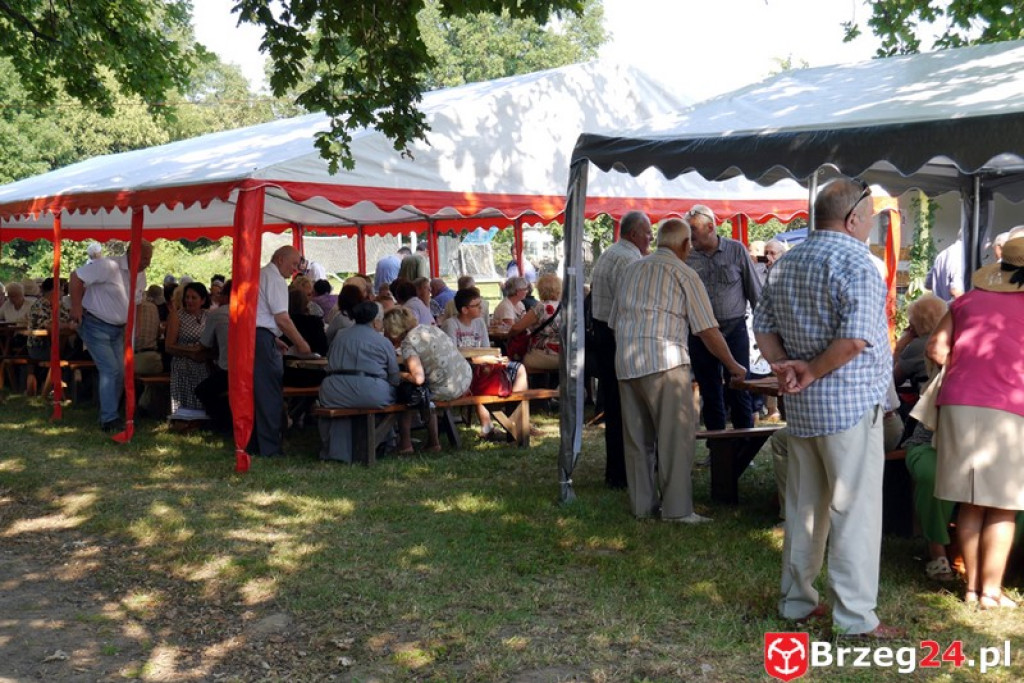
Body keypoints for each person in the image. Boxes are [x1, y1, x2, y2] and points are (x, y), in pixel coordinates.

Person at [753, 177, 896, 638]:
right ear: (853, 219)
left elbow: (763, 326)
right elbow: (855, 339)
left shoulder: (787, 262)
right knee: (853, 512)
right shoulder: (859, 262)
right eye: (870, 217)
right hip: (849, 404)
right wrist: (809, 370)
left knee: (804, 508)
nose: (871, 225)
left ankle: (796, 601)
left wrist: (784, 368)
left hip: (803, 406)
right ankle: (855, 617)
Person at [610, 218, 745, 523]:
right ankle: (677, 510)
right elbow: (707, 329)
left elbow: (614, 321)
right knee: (675, 439)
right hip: (665, 362)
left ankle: (642, 506)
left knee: (637, 441)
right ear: (685, 244)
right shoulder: (684, 272)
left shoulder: (631, 269)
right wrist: (733, 365)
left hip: (627, 362)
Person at [926, 236, 1024, 609]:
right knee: (1002, 505)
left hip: (959, 404)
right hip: (1011, 406)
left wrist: (966, 368)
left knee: (970, 502)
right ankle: (991, 592)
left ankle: (970, 590)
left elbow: (936, 349)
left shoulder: (965, 301)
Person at [590, 210, 653, 489]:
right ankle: (623, 472)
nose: (651, 238)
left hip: (604, 333)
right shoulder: (629, 259)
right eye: (648, 233)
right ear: (634, 233)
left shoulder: (610, 252)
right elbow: (631, 305)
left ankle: (617, 471)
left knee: (616, 405)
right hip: (618, 335)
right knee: (626, 406)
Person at [685, 204, 761, 431]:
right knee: (710, 390)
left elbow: (755, 292)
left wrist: (765, 330)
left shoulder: (736, 250)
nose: (689, 235)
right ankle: (717, 446)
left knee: (739, 387)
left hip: (734, 329)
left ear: (710, 227)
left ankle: (744, 441)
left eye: (693, 229)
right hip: (700, 333)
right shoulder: (687, 256)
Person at [70, 240, 153, 432]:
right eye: (145, 258)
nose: (147, 263)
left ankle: (109, 412)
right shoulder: (108, 265)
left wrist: (136, 325)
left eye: (149, 259)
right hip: (95, 324)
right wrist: (76, 306)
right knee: (110, 369)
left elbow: (138, 302)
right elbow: (76, 276)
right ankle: (109, 418)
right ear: (132, 254)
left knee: (120, 372)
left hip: (118, 329)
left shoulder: (141, 275)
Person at [442, 287, 528, 440]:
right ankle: (489, 427)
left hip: (484, 365)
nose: (481, 308)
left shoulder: (480, 322)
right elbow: (453, 354)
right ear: (464, 309)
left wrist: (495, 359)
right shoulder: (451, 324)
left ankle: (515, 416)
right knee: (483, 377)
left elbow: (487, 348)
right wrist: (482, 360)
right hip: (462, 369)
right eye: (476, 305)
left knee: (519, 368)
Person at [382, 305, 471, 453]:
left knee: (408, 394)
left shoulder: (409, 343)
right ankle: (432, 442)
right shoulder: (429, 329)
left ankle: (406, 444)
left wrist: (398, 374)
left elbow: (418, 378)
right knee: (421, 391)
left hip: (448, 387)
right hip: (463, 377)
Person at [318, 301, 400, 462]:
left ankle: (336, 451)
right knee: (397, 396)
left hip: (334, 391)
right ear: (376, 321)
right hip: (372, 393)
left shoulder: (339, 336)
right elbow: (394, 377)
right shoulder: (383, 342)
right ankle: (384, 441)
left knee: (343, 405)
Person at [252, 246, 311, 457]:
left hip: (257, 336)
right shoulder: (275, 279)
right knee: (269, 394)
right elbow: (282, 318)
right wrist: (301, 344)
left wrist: (273, 337)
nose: (295, 269)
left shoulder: (260, 274)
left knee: (259, 394)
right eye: (293, 264)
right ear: (279, 260)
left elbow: (260, 314)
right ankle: (270, 449)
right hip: (261, 338)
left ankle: (256, 444)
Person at [164, 281, 211, 420]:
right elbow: (169, 346)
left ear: (203, 300)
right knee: (185, 367)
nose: (189, 301)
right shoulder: (177, 316)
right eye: (187, 297)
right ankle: (184, 416)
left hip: (204, 361)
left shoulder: (209, 316)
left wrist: (204, 353)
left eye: (193, 298)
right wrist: (191, 352)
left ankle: (204, 416)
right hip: (183, 360)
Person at [195, 280, 232, 431]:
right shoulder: (253, 311)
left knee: (202, 390)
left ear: (226, 296)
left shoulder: (218, 314)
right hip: (254, 369)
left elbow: (204, 344)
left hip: (229, 371)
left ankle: (222, 422)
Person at [508, 273, 562, 372]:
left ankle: (529, 382)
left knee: (517, 362)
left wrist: (509, 335)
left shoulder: (541, 307)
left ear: (541, 290)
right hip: (563, 355)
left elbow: (517, 328)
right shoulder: (564, 306)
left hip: (543, 354)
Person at [892, 294, 947, 390]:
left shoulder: (917, 346)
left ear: (916, 322)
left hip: (927, 397)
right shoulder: (948, 339)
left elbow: (894, 380)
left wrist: (900, 347)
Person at [925, 236, 964, 302]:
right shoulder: (960, 255)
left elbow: (927, 283)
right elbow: (956, 291)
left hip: (939, 306)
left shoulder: (942, 254)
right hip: (952, 307)